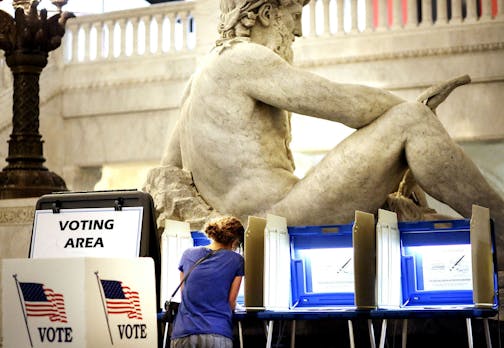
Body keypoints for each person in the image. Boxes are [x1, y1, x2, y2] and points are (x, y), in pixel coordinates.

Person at [161, 0, 504, 263]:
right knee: (411, 121)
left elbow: (166, 174)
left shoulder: (197, 80)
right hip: (278, 217)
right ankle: (502, 231)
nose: (297, 31)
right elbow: (347, 104)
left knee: (408, 209)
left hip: (257, 222)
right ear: (266, 14)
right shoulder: (242, 59)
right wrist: (414, 108)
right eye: (294, 15)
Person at [170, 216, 245, 348]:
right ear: (235, 241)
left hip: (183, 333)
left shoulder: (187, 254)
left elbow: (185, 295)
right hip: (217, 334)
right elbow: (231, 303)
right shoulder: (236, 260)